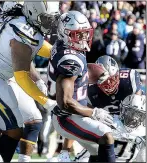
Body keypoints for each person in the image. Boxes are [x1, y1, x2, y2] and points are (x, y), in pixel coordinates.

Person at [0, 2, 59, 162]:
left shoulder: (25, 23)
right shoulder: (22, 29)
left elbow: (38, 45)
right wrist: (45, 100)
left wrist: (58, 51)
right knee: (12, 129)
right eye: (46, 18)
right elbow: (21, 75)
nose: (49, 23)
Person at [47, 11, 116, 162]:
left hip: (74, 113)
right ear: (65, 34)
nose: (84, 38)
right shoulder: (70, 60)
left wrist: (95, 72)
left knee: (99, 151)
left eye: (85, 33)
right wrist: (94, 113)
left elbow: (79, 74)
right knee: (106, 136)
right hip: (66, 117)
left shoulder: (66, 46)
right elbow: (65, 102)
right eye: (79, 34)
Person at [53, 55, 143, 161]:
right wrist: (65, 150)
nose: (109, 84)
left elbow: (138, 111)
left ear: (118, 74)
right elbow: (81, 121)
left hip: (133, 132)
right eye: (104, 81)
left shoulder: (129, 80)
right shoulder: (91, 90)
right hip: (107, 132)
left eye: (112, 78)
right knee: (84, 159)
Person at [72, 94, 146, 162]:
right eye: (130, 112)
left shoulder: (141, 134)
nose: (134, 118)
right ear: (122, 109)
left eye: (138, 115)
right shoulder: (110, 122)